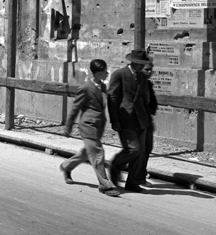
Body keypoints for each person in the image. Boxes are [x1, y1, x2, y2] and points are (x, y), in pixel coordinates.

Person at [60, 59, 121, 197]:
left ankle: (66, 166)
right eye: (105, 71)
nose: (107, 73)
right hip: (88, 126)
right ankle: (105, 184)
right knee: (98, 154)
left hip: (98, 126)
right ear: (99, 73)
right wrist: (68, 126)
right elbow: (75, 108)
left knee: (87, 153)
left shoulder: (103, 87)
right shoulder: (85, 88)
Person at [107, 49, 155, 193]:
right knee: (133, 149)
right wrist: (114, 119)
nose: (142, 67)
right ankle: (115, 165)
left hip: (141, 119)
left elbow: (144, 99)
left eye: (143, 64)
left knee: (140, 152)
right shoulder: (119, 74)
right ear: (133, 62)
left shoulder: (142, 77)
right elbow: (112, 98)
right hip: (125, 118)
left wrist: (147, 118)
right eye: (140, 64)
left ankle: (132, 182)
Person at [138, 60, 158, 184]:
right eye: (146, 69)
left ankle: (140, 175)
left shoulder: (148, 84)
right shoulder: (136, 83)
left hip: (147, 121)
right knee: (137, 150)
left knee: (147, 149)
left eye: (151, 69)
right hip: (137, 122)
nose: (149, 72)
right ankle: (117, 168)